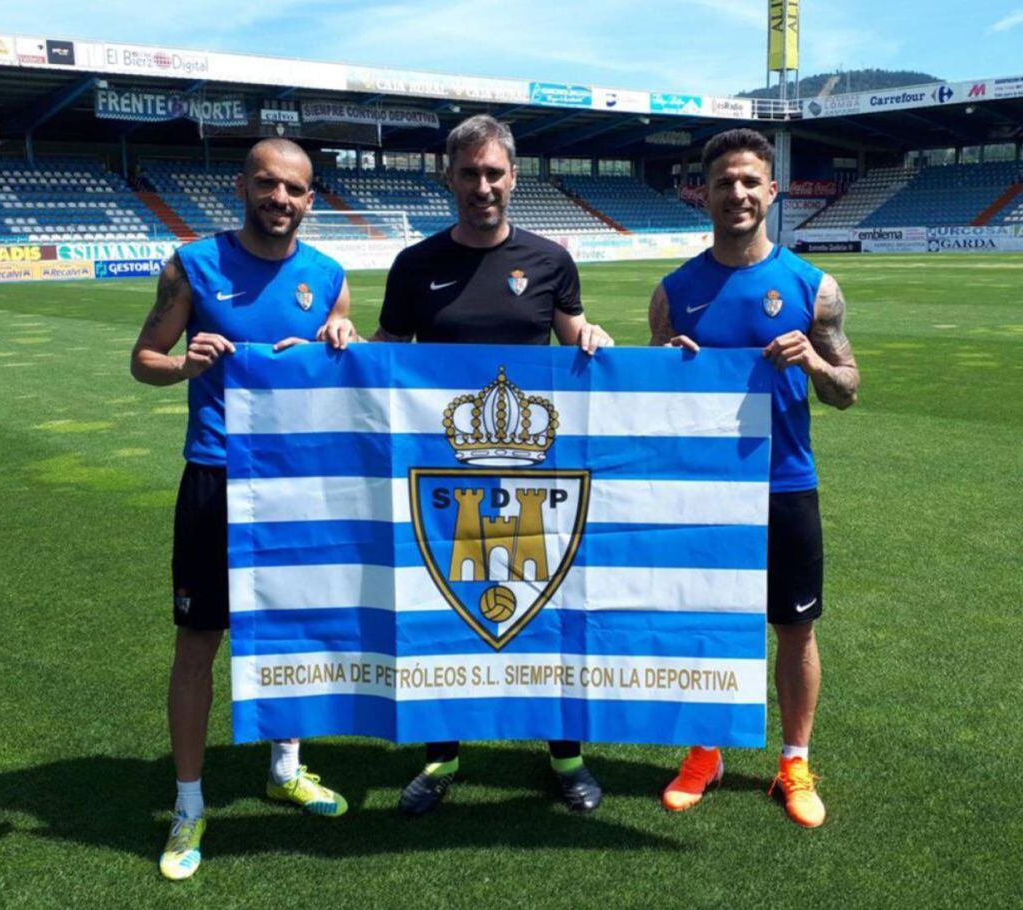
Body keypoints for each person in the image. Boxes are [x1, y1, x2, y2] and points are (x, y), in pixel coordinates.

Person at [335, 114, 613, 816]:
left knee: (546, 613)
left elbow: (572, 332)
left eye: (494, 173)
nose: (482, 186)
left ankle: (568, 758)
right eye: (469, 173)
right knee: (442, 615)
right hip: (441, 481)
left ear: (513, 176)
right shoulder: (416, 265)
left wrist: (592, 334)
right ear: (449, 177)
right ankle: (440, 759)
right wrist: (344, 341)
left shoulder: (550, 259)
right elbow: (387, 351)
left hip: (534, 480)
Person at [131, 138, 357, 880]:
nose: (280, 199)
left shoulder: (328, 277)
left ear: (310, 199)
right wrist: (182, 364)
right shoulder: (191, 264)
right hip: (215, 477)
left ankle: (285, 769)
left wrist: (339, 341)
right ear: (243, 186)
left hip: (297, 486)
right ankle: (189, 806)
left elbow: (343, 372)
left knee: (295, 634)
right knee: (199, 643)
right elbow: (144, 359)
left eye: (294, 189)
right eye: (267, 184)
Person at [649, 128, 860, 829]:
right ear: (701, 193)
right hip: (705, 491)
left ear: (772, 191)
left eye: (750, 182)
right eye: (723, 182)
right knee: (708, 623)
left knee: (795, 629)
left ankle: (793, 762)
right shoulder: (674, 292)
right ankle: (704, 754)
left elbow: (848, 389)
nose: (737, 193)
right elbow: (647, 403)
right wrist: (668, 368)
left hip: (787, 482)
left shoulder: (812, 287)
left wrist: (817, 364)